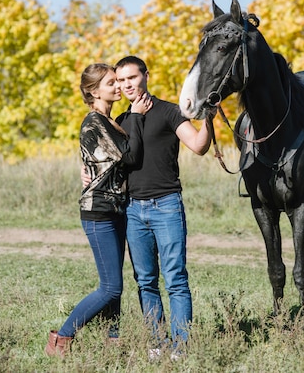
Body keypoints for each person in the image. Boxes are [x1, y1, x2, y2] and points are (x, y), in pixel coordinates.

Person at [45, 63, 151, 357]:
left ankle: (112, 340)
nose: (118, 87)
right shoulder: (95, 122)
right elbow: (129, 155)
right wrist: (140, 118)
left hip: (115, 209)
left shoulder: (110, 120)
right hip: (98, 211)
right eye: (110, 83)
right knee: (110, 288)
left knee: (114, 282)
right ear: (93, 91)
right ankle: (62, 338)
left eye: (118, 81)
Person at [114, 55, 211, 358]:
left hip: (166, 205)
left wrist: (209, 117)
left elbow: (198, 146)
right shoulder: (120, 121)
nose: (127, 84)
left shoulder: (170, 112)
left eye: (132, 77)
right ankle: (157, 344)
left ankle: (180, 347)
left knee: (176, 278)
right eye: (121, 80)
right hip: (132, 209)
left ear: (145, 75)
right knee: (144, 280)